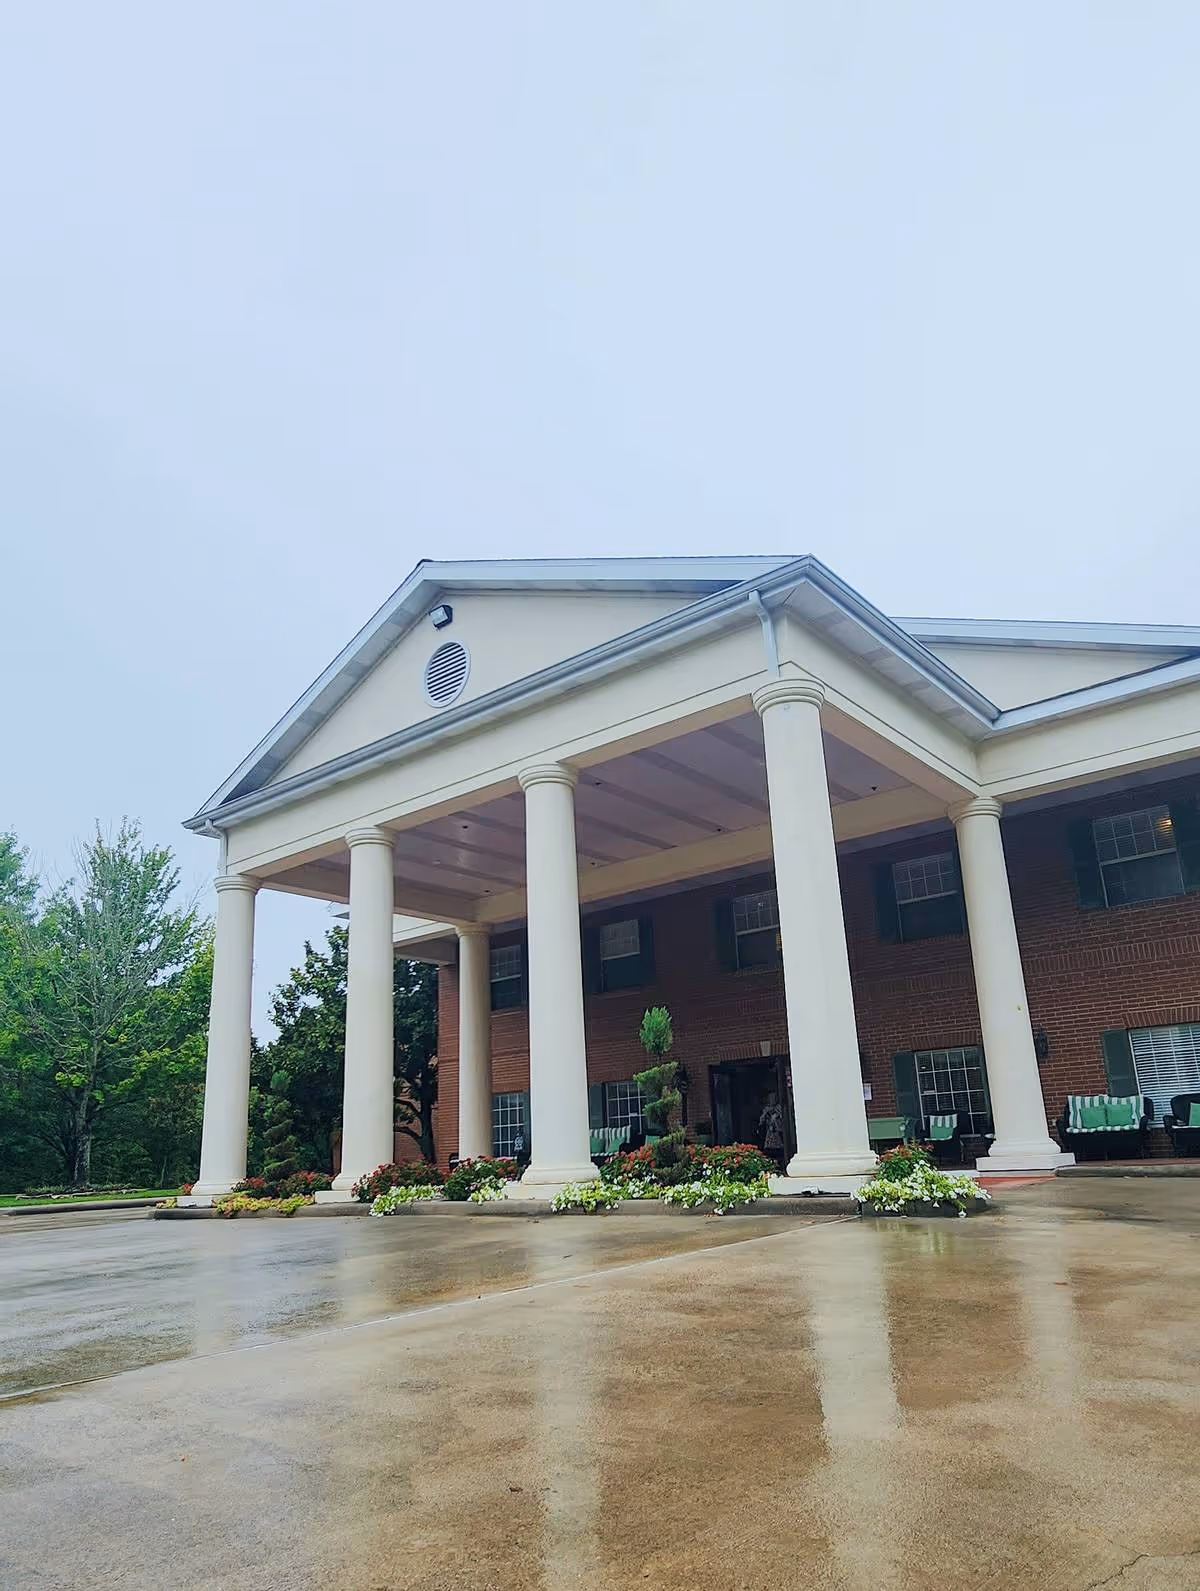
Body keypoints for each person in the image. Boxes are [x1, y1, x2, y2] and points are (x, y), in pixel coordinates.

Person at [758, 1091, 785, 1170]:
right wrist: (765, 1114)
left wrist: (776, 1116)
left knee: (779, 1150)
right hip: (769, 1134)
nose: (772, 1100)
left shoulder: (779, 1108)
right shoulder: (766, 1109)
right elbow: (761, 1122)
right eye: (770, 1098)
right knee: (769, 1152)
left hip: (779, 1133)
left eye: (773, 1098)